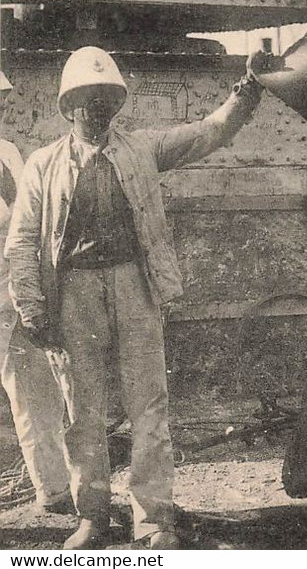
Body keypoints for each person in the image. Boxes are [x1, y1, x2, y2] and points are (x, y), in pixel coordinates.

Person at [6, 46, 269, 550]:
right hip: (74, 292)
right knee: (82, 410)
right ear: (68, 107)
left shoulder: (142, 149)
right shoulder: (42, 165)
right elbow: (20, 241)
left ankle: (153, 519)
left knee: (149, 404)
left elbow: (208, 132)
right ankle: (94, 517)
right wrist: (33, 305)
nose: (96, 108)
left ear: (117, 104)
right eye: (85, 99)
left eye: (106, 98)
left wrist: (246, 92)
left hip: (134, 286)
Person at [0, 70, 72, 513]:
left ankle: (55, 489)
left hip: (12, 287)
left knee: (35, 388)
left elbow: (28, 218)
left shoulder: (8, 152)